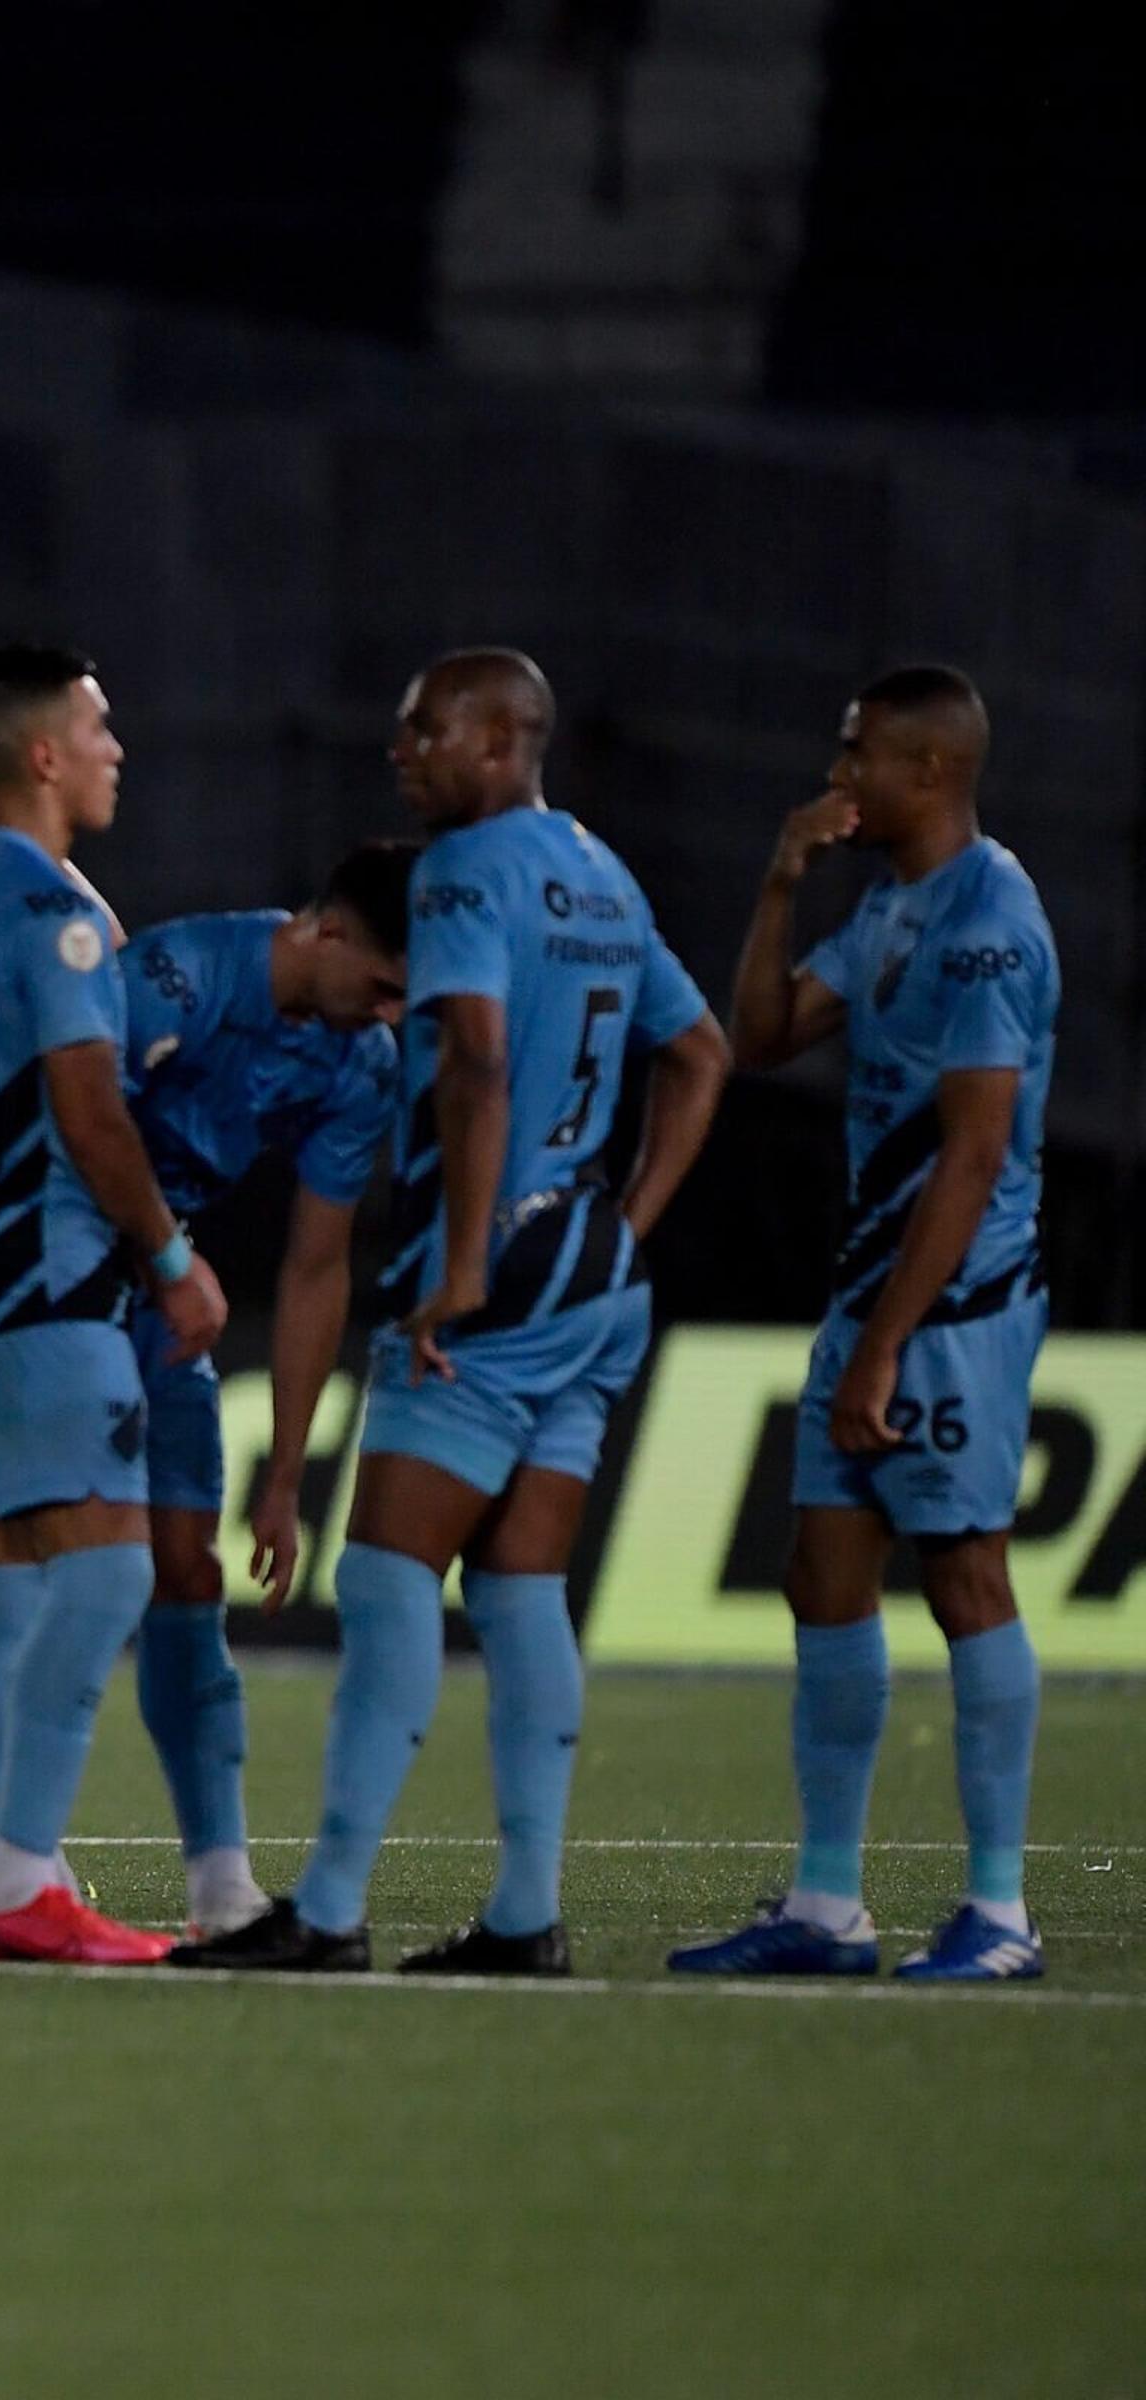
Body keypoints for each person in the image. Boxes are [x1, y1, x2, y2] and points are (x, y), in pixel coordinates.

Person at [174, 649, 727, 1976]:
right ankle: (528, 1915)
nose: (400, 749)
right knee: (524, 1586)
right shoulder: (604, 873)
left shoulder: (465, 875)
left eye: (424, 728)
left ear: (498, 738)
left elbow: (474, 1058)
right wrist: (623, 1224)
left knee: (385, 1574)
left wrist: (470, 1261)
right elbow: (700, 1055)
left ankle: (332, 1907)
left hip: (494, 1282)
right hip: (594, 1273)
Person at [671, 667, 1055, 1983]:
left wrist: (890, 1340)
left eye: (859, 761)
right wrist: (782, 880)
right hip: (873, 1292)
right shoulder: (893, 906)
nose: (839, 783)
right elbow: (761, 1032)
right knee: (823, 1576)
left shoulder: (992, 924)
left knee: (963, 1577)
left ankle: (1000, 1914)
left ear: (932, 772)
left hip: (954, 1305)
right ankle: (830, 1905)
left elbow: (973, 1151)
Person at [0, 647, 221, 1963]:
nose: (115, 749)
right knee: (110, 1570)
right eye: (98, 726)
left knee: (29, 1574)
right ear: (42, 753)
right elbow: (88, 1107)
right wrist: (167, 1259)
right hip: (55, 1261)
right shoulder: (54, 904)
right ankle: (23, 1881)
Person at [107, 846, 409, 1935]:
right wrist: (163, 1258)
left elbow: (318, 1266)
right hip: (35, 1275)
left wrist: (285, 1475)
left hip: (156, 1294)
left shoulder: (359, 1061)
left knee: (187, 1572)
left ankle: (220, 1882)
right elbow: (65, 1117)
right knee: (51, 1565)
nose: (393, 1012)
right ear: (326, 932)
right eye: (383, 984)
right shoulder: (184, 972)